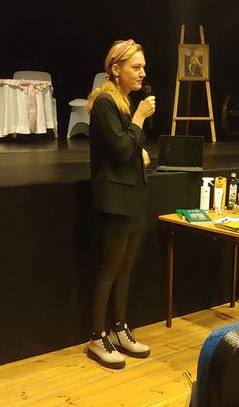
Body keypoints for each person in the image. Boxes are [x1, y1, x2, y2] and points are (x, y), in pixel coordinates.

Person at [85, 39, 156, 369]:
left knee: (125, 270)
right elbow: (120, 149)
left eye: (143, 67)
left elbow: (129, 148)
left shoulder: (124, 102)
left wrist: (139, 149)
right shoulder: (105, 102)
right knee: (109, 271)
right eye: (135, 67)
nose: (142, 73)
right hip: (114, 200)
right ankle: (96, 337)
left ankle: (119, 328)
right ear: (116, 69)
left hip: (132, 196)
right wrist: (139, 119)